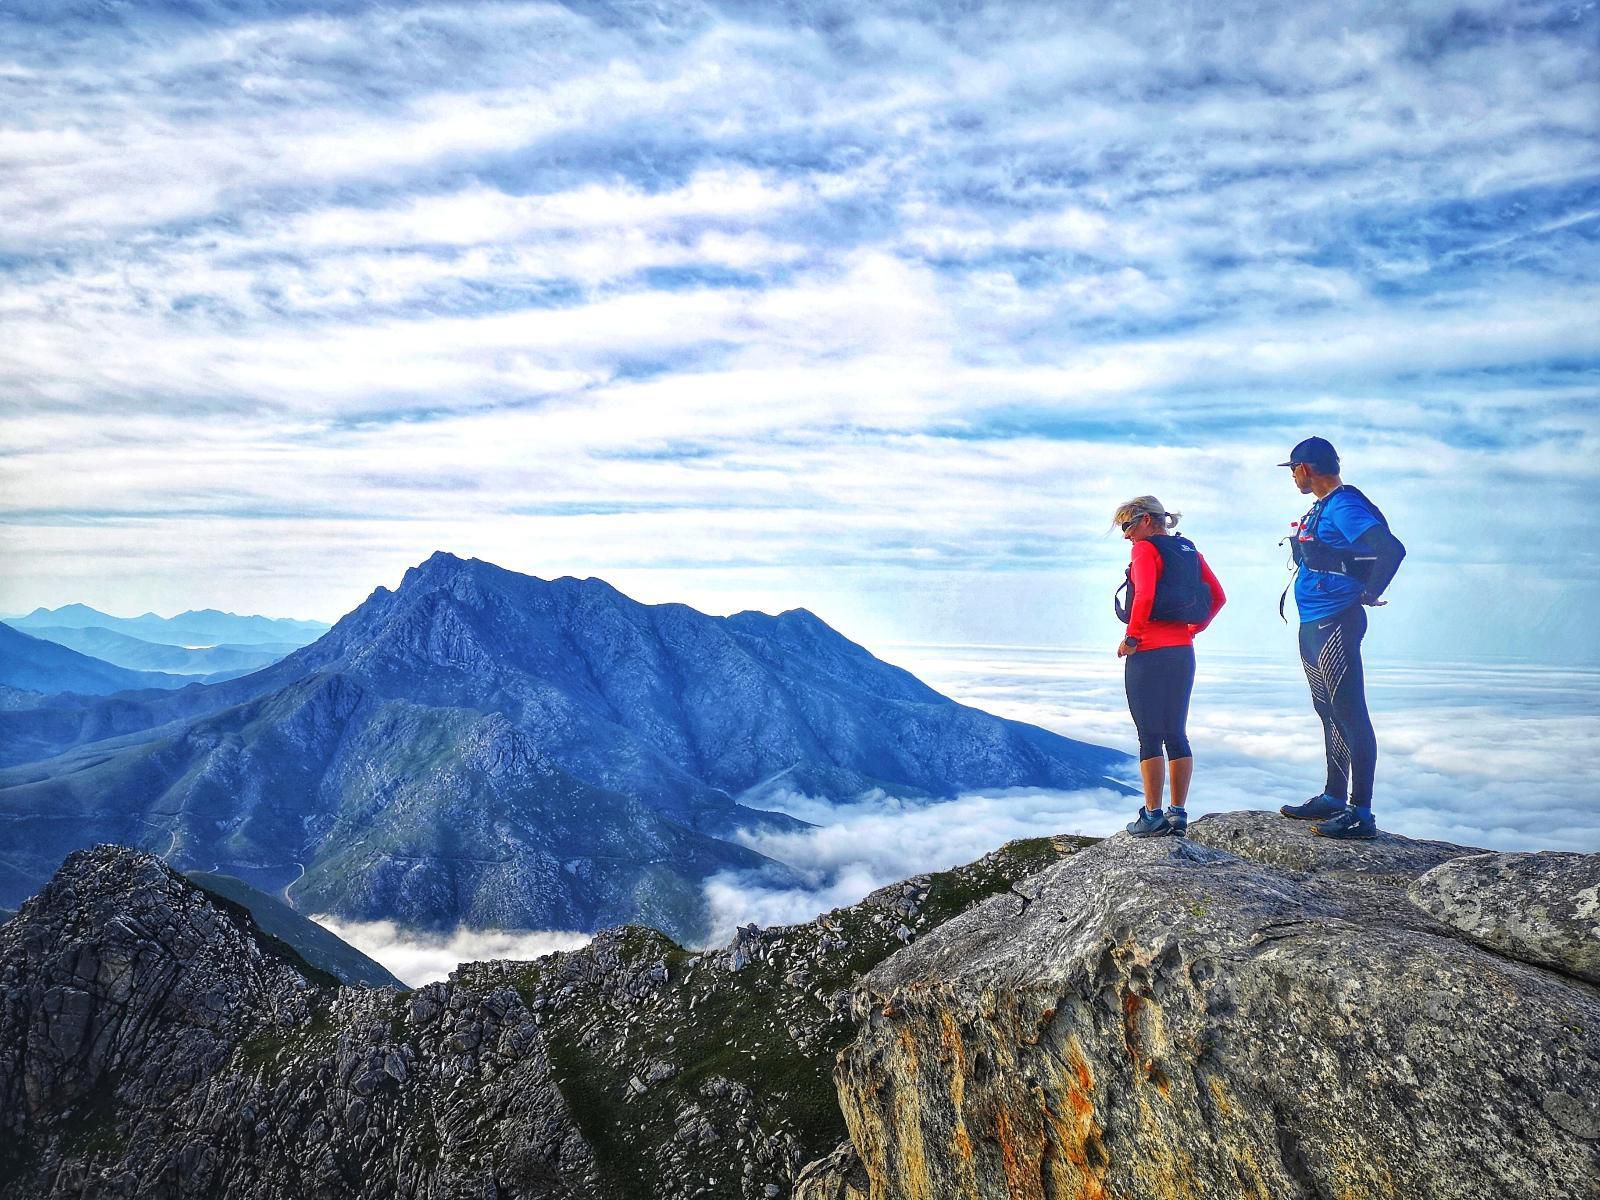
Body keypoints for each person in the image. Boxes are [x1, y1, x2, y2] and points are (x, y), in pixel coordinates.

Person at [1276, 437, 1406, 839]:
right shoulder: (1323, 507)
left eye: (1293, 469)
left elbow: (1390, 549)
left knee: (1349, 712)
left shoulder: (1344, 505)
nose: (1293, 476)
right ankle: (1334, 795)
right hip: (1314, 621)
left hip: (1335, 621)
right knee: (1327, 709)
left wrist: (1369, 592)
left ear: (1306, 468)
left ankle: (1360, 811)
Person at [1113, 496, 1226, 838]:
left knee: (1149, 735)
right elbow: (1218, 596)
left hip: (1148, 654)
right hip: (1182, 653)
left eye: (1127, 525)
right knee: (1176, 733)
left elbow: (1144, 594)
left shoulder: (1146, 550)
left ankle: (1152, 816)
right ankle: (1178, 814)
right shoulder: (1189, 551)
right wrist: (1193, 629)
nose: (1126, 535)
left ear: (1146, 520)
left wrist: (1133, 637)